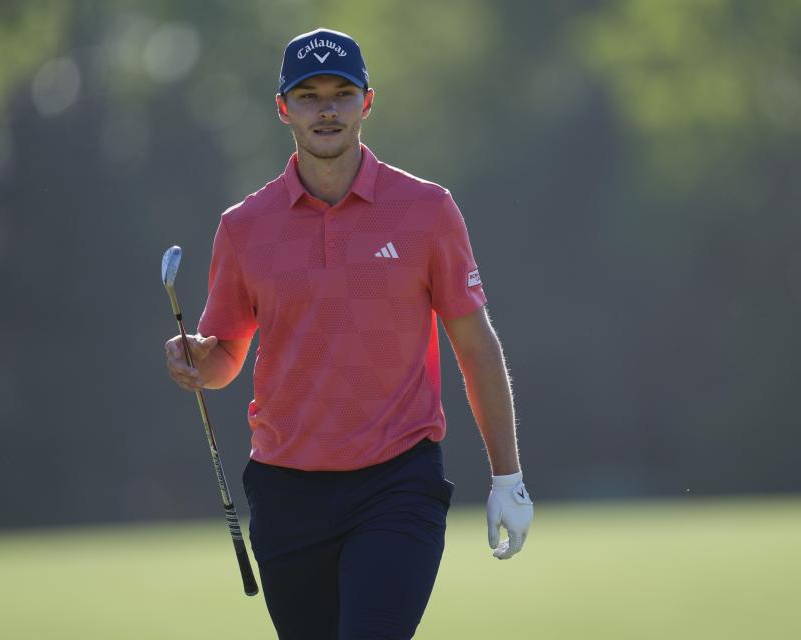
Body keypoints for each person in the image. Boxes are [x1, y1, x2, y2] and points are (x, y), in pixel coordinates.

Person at [166, 27, 533, 640]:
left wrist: (509, 479)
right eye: (309, 96)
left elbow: (475, 345)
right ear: (283, 108)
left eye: (342, 92)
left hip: (397, 483)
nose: (327, 109)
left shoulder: (426, 210)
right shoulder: (244, 228)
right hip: (287, 493)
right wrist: (196, 361)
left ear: (367, 102)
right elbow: (226, 353)